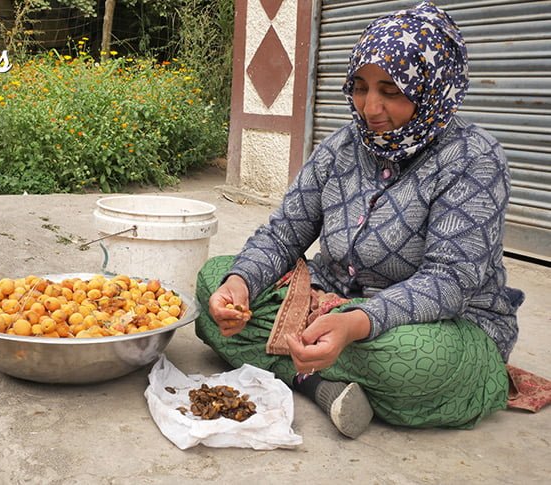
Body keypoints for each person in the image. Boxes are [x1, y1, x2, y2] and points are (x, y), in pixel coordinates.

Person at [195, 1, 525, 439]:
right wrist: (238, 285)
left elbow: (449, 282)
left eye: (391, 90)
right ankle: (316, 379)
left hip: (439, 325)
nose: (370, 107)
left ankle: (303, 361)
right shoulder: (341, 147)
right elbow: (283, 234)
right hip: (330, 299)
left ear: (432, 85)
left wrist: (354, 324)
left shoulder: (473, 159)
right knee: (211, 283)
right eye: (360, 86)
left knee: (414, 362)